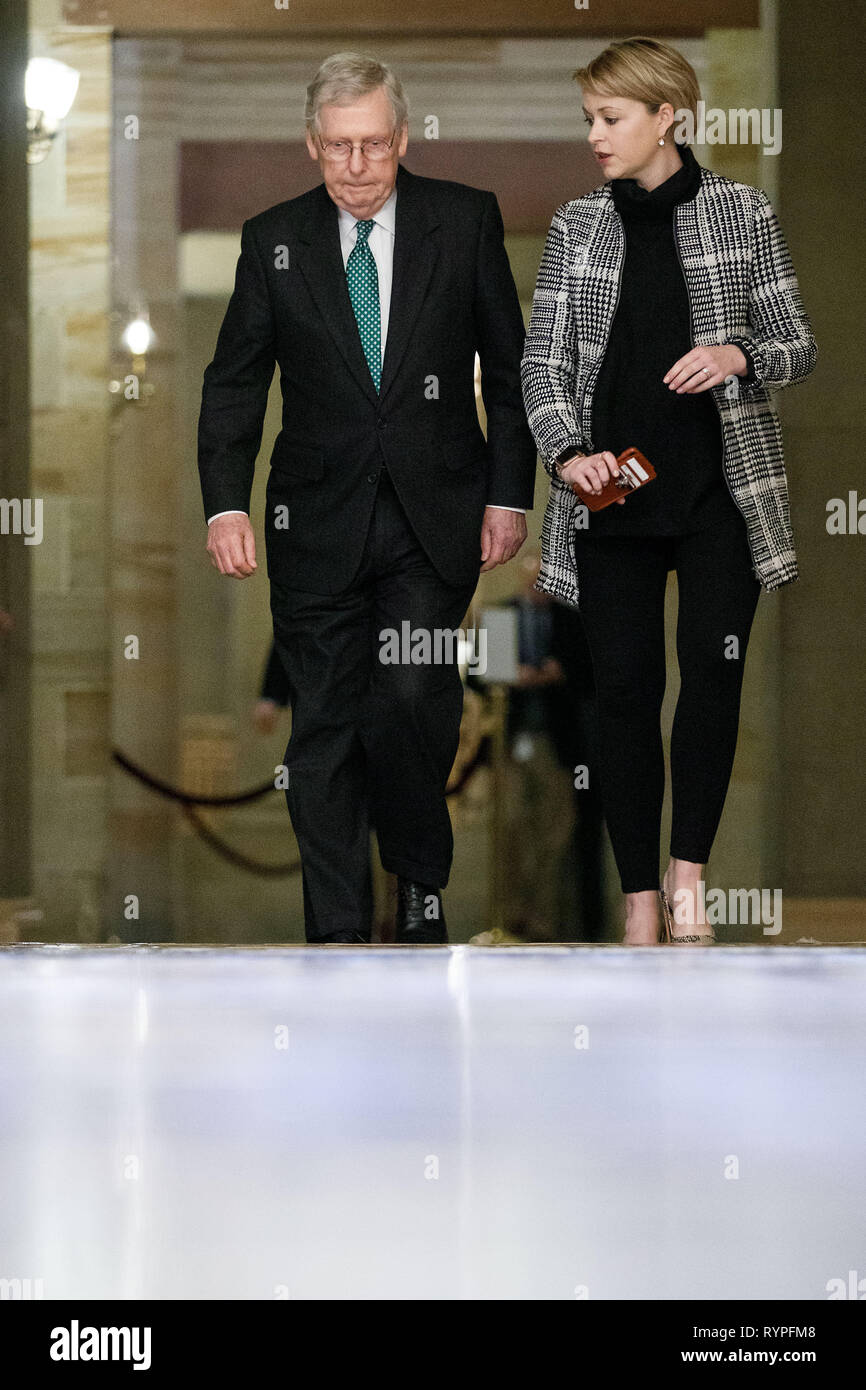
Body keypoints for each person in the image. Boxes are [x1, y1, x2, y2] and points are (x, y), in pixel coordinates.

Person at [198, 53, 536, 944]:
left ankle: (420, 902)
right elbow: (235, 384)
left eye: (374, 145)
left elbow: (509, 375)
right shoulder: (272, 239)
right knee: (327, 728)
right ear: (313, 145)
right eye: (340, 147)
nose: (357, 166)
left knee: (414, 701)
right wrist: (225, 505)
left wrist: (511, 496)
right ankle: (337, 936)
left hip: (435, 523)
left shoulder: (464, 223)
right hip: (314, 527)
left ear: (403, 137)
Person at [521, 37, 817, 946]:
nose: (596, 138)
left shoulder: (740, 212)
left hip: (720, 492)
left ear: (667, 117)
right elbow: (542, 366)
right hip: (610, 499)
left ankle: (689, 877)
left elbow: (797, 345)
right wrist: (570, 455)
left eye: (611, 119)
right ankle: (638, 895)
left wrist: (737, 355)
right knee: (624, 692)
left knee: (713, 677)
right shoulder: (576, 226)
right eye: (589, 122)